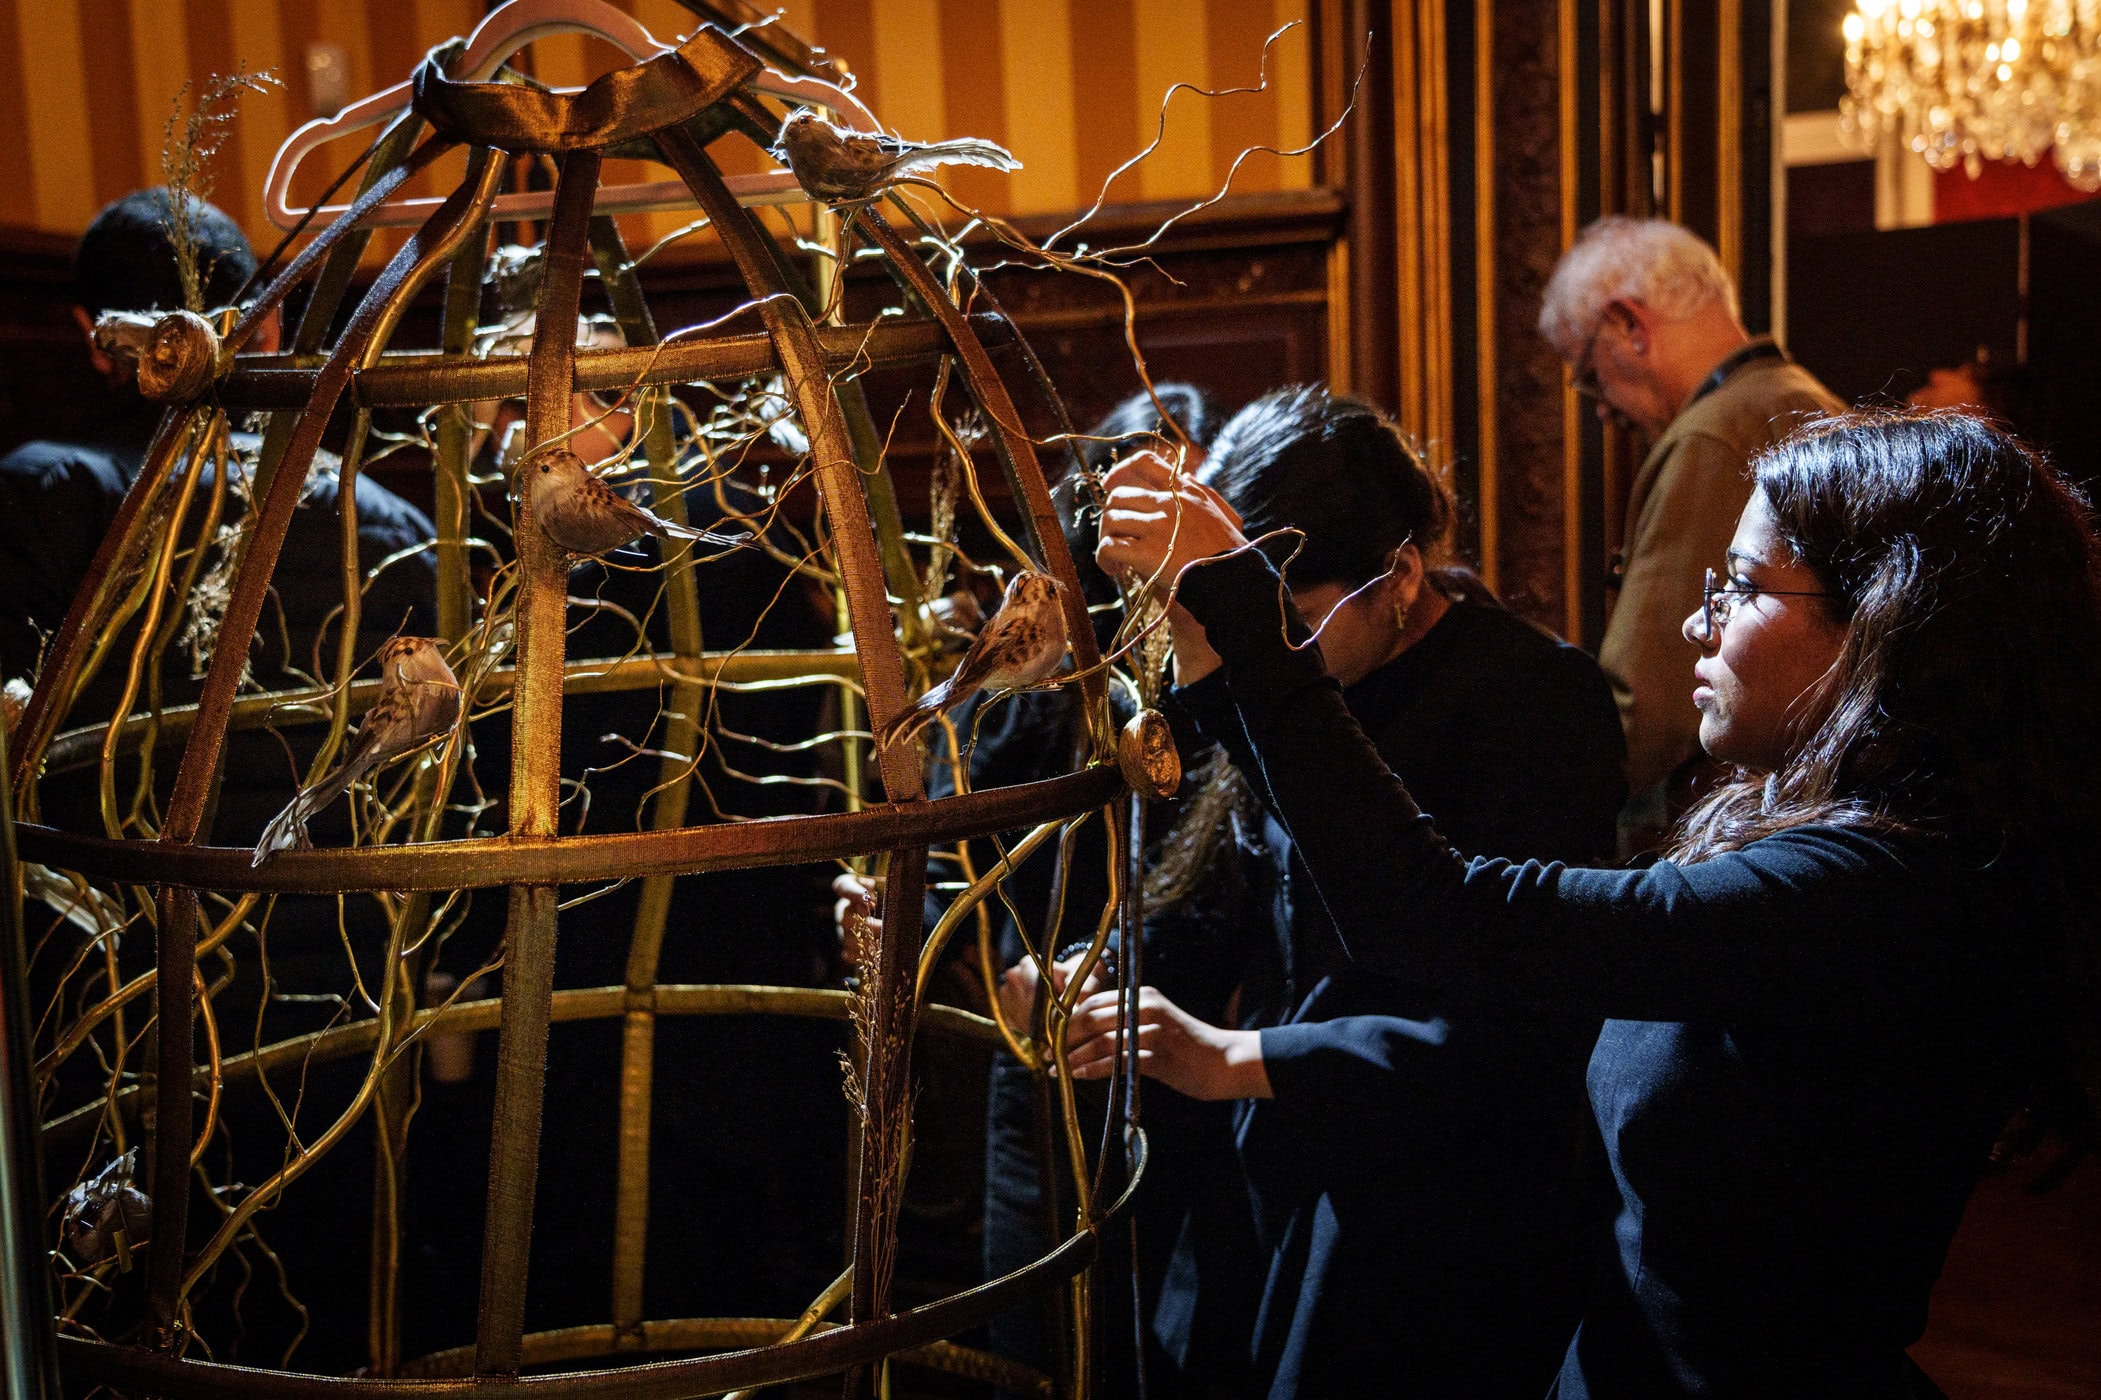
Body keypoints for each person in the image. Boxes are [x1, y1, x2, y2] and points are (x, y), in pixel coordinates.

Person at [1095, 407, 2101, 1396]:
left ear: (1888, 622)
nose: (1691, 619)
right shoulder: (1826, 849)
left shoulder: (1868, 897)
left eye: (1743, 587)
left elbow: (1441, 913)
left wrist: (1242, 606)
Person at [1061, 386, 1624, 1398]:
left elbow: (1516, 1034)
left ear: (1400, 572)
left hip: (1439, 1207)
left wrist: (1238, 1057)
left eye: (1292, 618)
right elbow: (1224, 901)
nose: (1261, 647)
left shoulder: (1536, 700)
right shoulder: (1276, 677)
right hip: (1283, 1171)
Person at [836, 384, 1228, 1397]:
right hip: (1041, 1057)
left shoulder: (1226, 667)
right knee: (1039, 1335)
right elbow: (970, 818)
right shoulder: (1051, 648)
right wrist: (904, 916)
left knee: (1177, 1337)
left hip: (1190, 1060)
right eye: (1119, 499)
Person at [1538, 216, 1842, 852]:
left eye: (1589, 372)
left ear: (1629, 325)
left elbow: (1645, 708)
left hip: (1721, 831)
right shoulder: (1807, 396)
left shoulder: (1710, 435)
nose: (1598, 407)